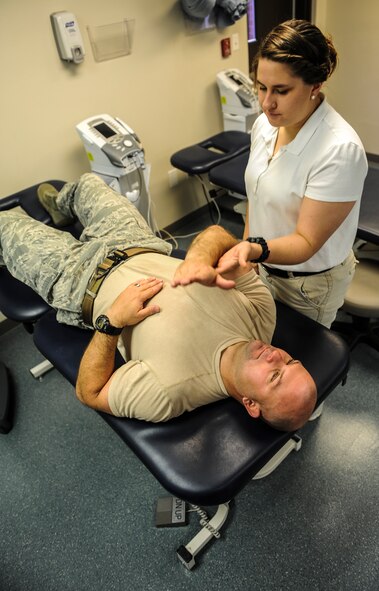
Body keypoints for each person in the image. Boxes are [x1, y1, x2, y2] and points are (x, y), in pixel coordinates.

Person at [0, 173, 316, 431]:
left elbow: (89, 392)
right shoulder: (261, 317)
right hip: (137, 242)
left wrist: (112, 323)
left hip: (77, 280)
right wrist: (198, 257)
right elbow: (219, 234)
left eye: (275, 376)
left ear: (250, 403)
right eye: (290, 361)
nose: (276, 357)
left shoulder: (169, 394)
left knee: (4, 224)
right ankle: (60, 206)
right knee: (87, 183)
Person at [209, 19, 368, 328]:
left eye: (281, 90)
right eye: (261, 87)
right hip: (265, 264)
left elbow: (306, 241)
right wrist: (249, 257)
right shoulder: (266, 125)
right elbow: (256, 196)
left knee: (292, 367)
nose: (267, 103)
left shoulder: (339, 150)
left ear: (315, 86)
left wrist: (253, 250)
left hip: (308, 284)